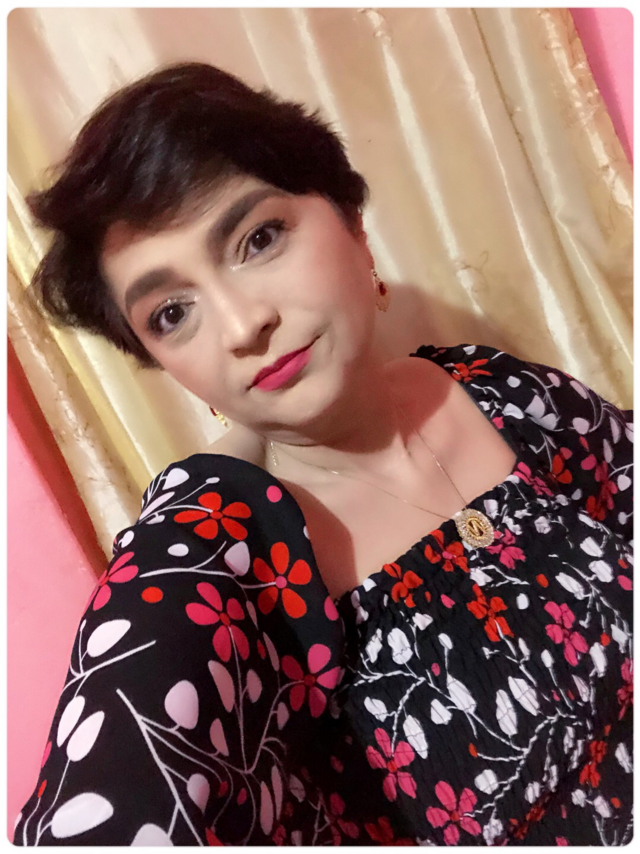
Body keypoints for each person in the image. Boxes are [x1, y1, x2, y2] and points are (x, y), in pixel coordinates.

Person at [14, 62, 633, 846]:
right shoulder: (221, 554)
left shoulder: (500, 392)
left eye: (258, 238)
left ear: (352, 225)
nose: (242, 324)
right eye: (172, 313)